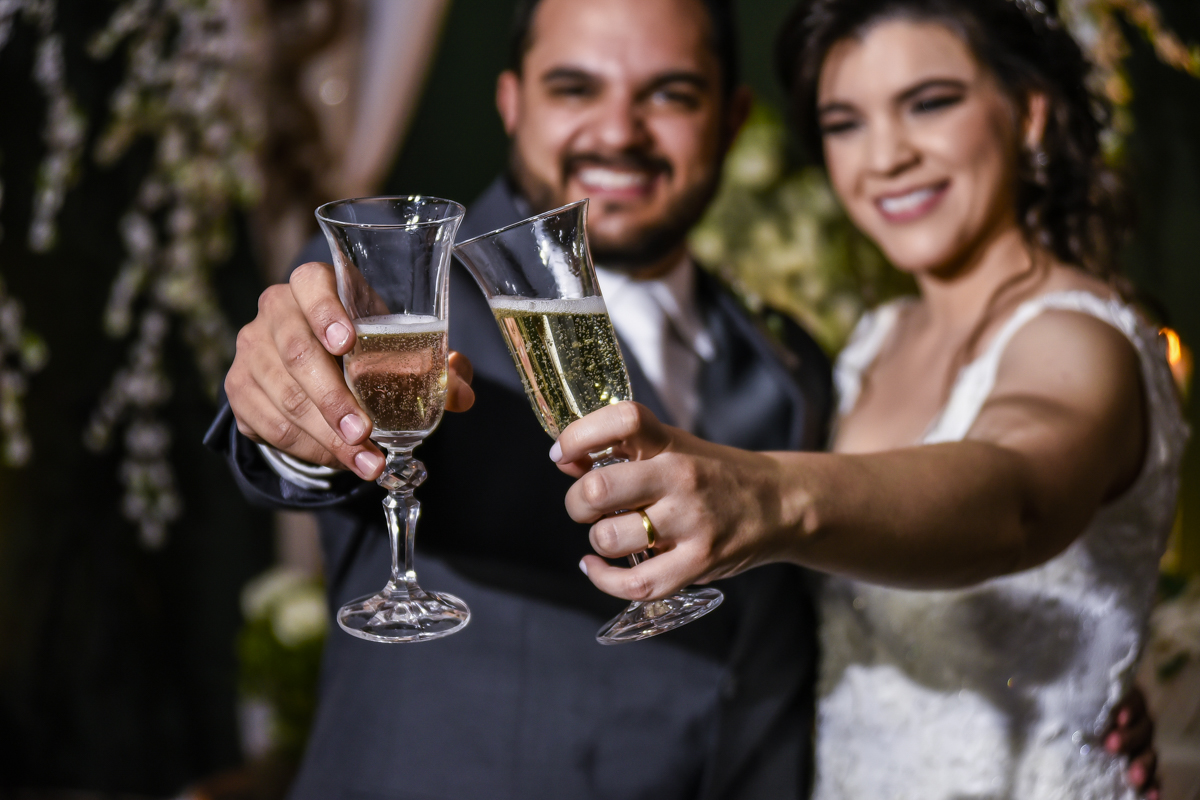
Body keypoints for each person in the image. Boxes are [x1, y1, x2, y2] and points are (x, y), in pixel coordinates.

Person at [550, 0, 1183, 797]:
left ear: (1028, 113)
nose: (885, 156)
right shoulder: (869, 345)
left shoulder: (1081, 339)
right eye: (845, 122)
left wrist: (770, 496)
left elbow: (1015, 501)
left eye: (930, 103)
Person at [208, 0, 833, 797]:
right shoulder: (391, 296)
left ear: (733, 117)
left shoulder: (789, 358)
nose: (617, 131)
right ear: (511, 102)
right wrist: (288, 422)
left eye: (670, 94)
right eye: (575, 88)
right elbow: (293, 432)